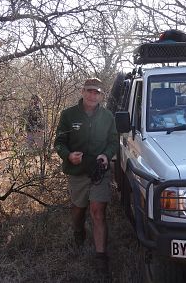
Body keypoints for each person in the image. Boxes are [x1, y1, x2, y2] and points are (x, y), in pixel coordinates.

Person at [54, 78, 118, 277]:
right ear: (82, 92)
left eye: (97, 92)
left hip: (99, 172)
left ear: (101, 95)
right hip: (77, 172)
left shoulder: (108, 117)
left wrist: (106, 155)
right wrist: (68, 155)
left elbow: (113, 141)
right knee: (78, 209)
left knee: (98, 211)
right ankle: (78, 233)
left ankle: (101, 258)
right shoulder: (68, 114)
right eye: (89, 91)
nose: (92, 95)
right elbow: (59, 142)